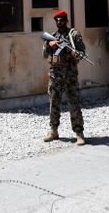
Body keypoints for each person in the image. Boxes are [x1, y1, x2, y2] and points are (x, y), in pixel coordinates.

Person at [42, 10, 86, 145]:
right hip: (55, 76)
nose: (59, 22)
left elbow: (82, 52)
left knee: (74, 103)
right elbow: (45, 54)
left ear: (66, 21)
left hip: (70, 75)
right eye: (57, 20)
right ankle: (53, 131)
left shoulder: (74, 35)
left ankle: (79, 133)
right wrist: (50, 45)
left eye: (62, 20)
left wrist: (75, 54)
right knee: (54, 103)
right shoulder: (53, 36)